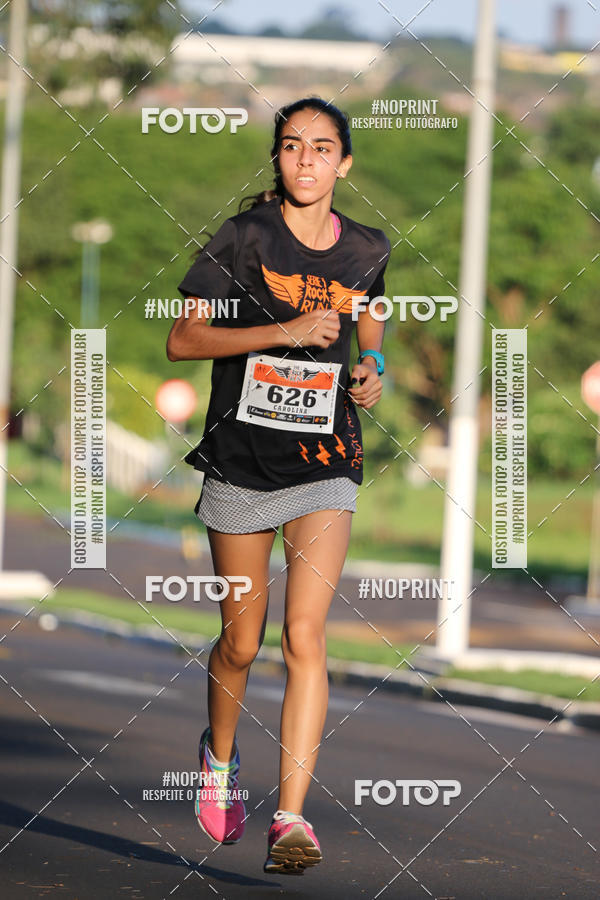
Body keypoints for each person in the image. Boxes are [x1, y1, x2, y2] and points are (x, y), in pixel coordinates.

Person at [167, 96, 390, 875]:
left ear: (344, 163)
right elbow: (183, 337)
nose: (306, 160)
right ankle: (219, 757)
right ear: (278, 158)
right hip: (241, 462)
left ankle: (291, 818)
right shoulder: (244, 238)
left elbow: (371, 311)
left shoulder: (365, 246)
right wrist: (283, 332)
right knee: (242, 641)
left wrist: (373, 366)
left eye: (322, 148)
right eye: (292, 146)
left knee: (305, 635)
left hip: (327, 461)